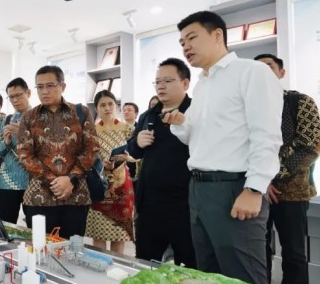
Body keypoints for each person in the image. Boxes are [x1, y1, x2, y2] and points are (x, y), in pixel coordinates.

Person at [163, 11, 283, 284]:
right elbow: (194, 137)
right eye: (182, 42)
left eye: (192, 38)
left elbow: (266, 134)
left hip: (234, 188)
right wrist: (181, 123)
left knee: (244, 281)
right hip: (199, 189)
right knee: (210, 278)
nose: (186, 47)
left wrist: (254, 188)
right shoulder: (203, 84)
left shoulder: (251, 72)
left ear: (217, 35)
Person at [255, 53, 320, 284]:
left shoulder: (300, 102)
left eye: (269, 67)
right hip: (255, 192)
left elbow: (309, 146)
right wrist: (261, 182)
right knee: (258, 250)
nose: (263, 73)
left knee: (294, 253)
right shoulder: (248, 107)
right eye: (257, 69)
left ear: (281, 73)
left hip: (292, 192)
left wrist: (270, 176)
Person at [127, 58, 196, 268]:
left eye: (167, 81)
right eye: (157, 82)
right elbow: (133, 151)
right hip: (150, 204)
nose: (161, 86)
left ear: (185, 83)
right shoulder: (149, 115)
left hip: (186, 204)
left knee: (189, 265)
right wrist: (137, 142)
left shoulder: (195, 111)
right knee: (145, 262)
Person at [17, 65, 98, 239]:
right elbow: (24, 155)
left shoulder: (81, 113)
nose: (44, 91)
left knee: (73, 249)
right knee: (41, 249)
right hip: (39, 197)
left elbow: (91, 149)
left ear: (63, 86)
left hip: (75, 196)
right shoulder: (28, 117)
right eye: (40, 87)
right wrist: (54, 181)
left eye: (50, 85)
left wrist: (71, 179)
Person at [87, 90, 134, 255]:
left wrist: (126, 158)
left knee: (118, 235)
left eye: (110, 104)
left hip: (121, 185)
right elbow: (87, 157)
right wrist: (100, 163)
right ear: (96, 109)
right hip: (99, 184)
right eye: (102, 105)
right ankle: (99, 265)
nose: (107, 108)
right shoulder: (91, 131)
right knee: (98, 235)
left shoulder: (128, 129)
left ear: (116, 106)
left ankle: (117, 266)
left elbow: (137, 156)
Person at [0, 78, 32, 225]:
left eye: (18, 95)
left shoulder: (38, 118)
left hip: (32, 181)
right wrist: (6, 142)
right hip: (7, 181)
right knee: (5, 225)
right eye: (11, 97)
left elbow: (46, 148)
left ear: (28, 93)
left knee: (35, 226)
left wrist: (23, 134)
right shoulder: (7, 119)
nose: (15, 100)